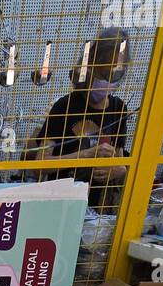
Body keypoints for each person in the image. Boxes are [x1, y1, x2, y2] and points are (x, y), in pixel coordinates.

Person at [24, 28, 130, 208]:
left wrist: (119, 170)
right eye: (102, 73)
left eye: (114, 74)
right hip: (59, 205)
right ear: (88, 69)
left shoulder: (118, 109)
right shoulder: (65, 107)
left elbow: (119, 161)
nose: (106, 81)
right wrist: (87, 155)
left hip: (97, 209)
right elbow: (39, 164)